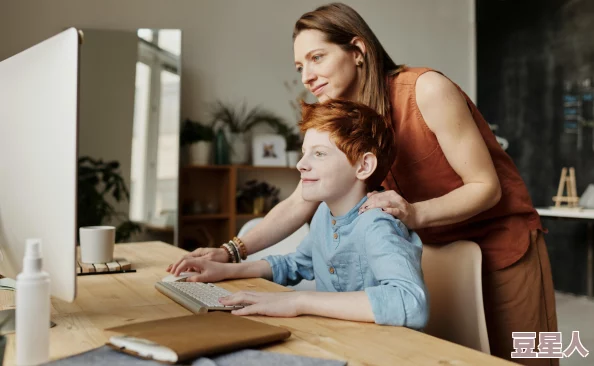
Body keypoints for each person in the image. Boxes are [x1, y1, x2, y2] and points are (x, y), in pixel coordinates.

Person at [169, 3, 557, 365]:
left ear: (357, 50)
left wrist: (414, 212)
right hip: (431, 249)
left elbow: (485, 186)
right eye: (299, 66)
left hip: (503, 245)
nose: (306, 76)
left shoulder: (426, 89)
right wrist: (230, 251)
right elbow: (299, 200)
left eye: (317, 57)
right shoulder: (339, 116)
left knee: (526, 357)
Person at [170, 100, 429, 329]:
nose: (301, 164)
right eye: (305, 152)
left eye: (319, 154)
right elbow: (297, 264)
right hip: (335, 339)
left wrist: (299, 301)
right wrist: (225, 270)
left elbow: (410, 302)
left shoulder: (377, 223)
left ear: (363, 166)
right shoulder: (323, 215)